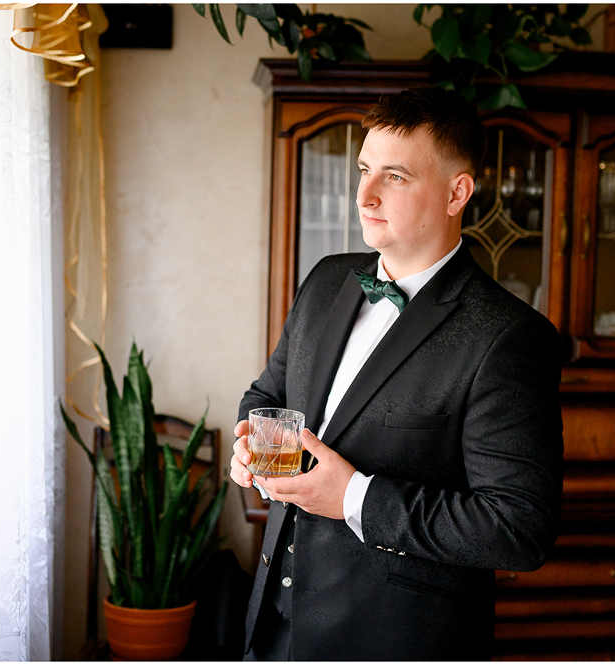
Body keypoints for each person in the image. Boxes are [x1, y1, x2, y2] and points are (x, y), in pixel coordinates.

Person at [229, 86, 564, 661]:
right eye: (364, 170)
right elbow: (269, 393)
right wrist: (250, 446)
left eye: (396, 176)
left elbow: (517, 528)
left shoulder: (509, 337)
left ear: (457, 192)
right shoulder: (326, 280)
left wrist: (354, 498)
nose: (365, 194)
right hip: (272, 632)